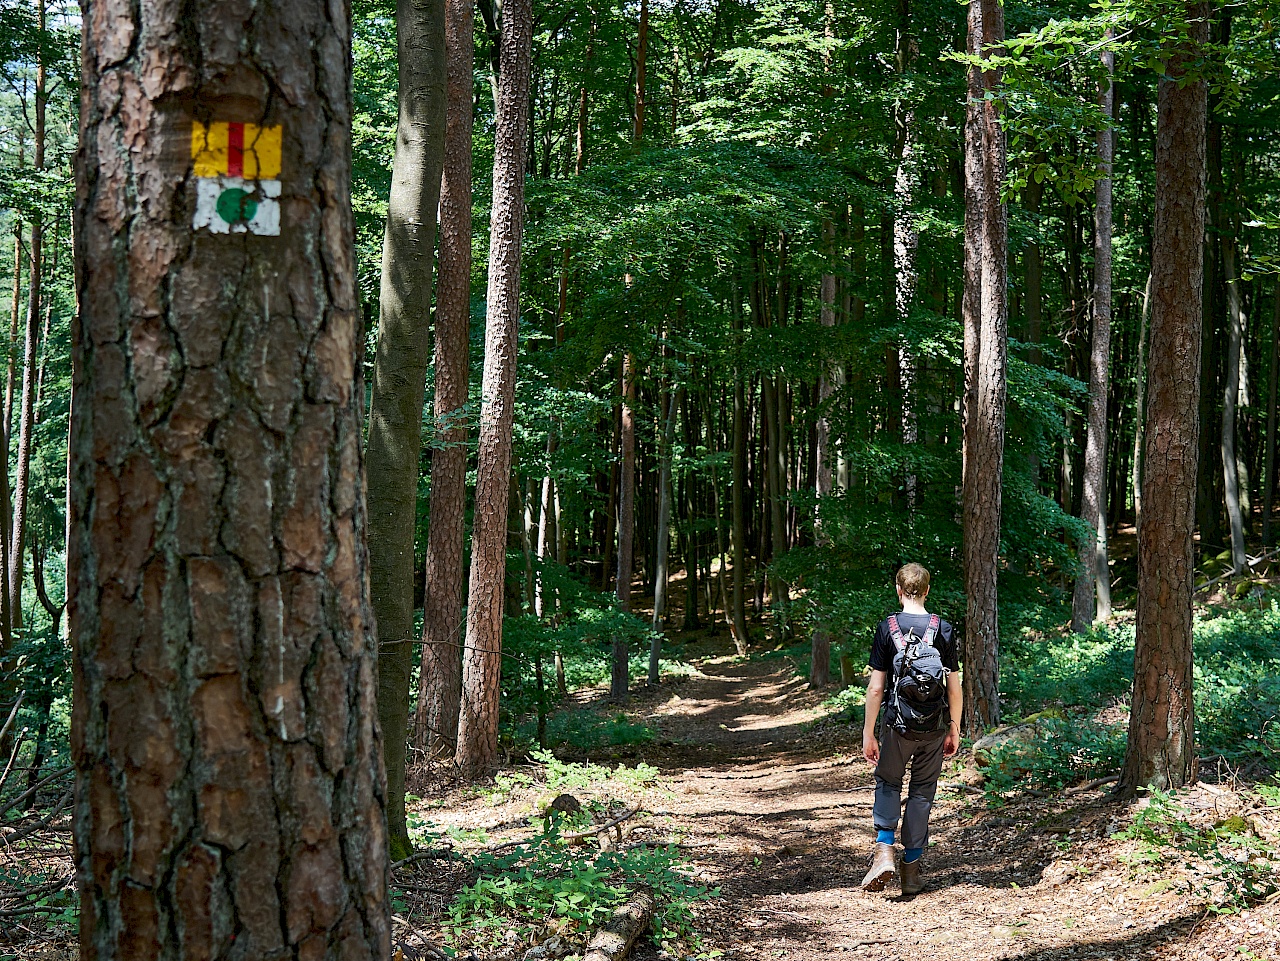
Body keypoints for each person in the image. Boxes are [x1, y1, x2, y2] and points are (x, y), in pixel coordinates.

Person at [859, 563, 962, 895]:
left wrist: (869, 732)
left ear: (899, 590)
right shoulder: (943, 629)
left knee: (888, 782)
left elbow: (876, 688)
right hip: (933, 728)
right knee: (922, 793)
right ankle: (912, 872)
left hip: (897, 726)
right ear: (927, 590)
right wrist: (954, 728)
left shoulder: (887, 628)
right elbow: (954, 687)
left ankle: (885, 851)